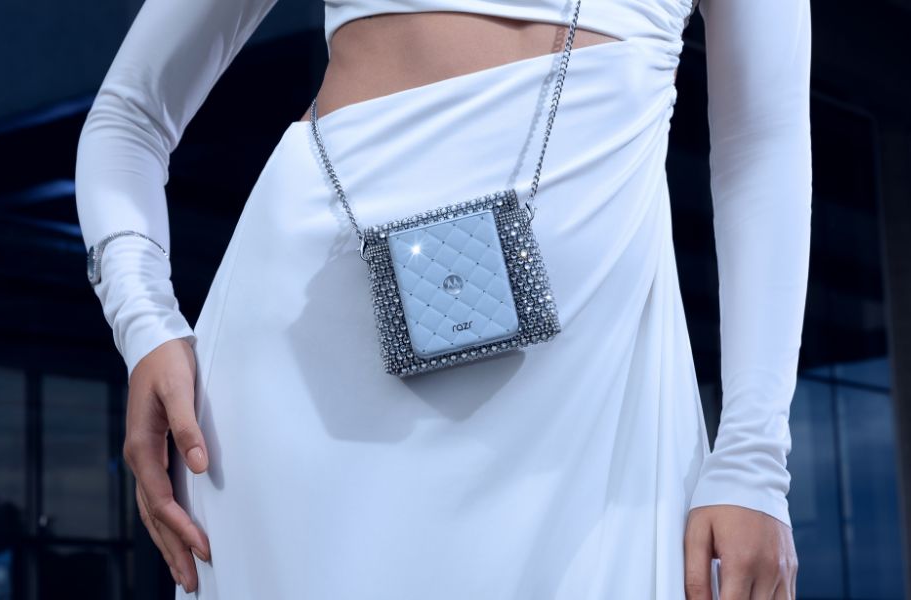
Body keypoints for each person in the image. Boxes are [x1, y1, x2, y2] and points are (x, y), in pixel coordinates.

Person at [74, 0, 812, 598]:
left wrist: (753, 457)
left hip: (595, 394)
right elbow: (128, 116)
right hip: (301, 384)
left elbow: (763, 147)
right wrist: (144, 324)